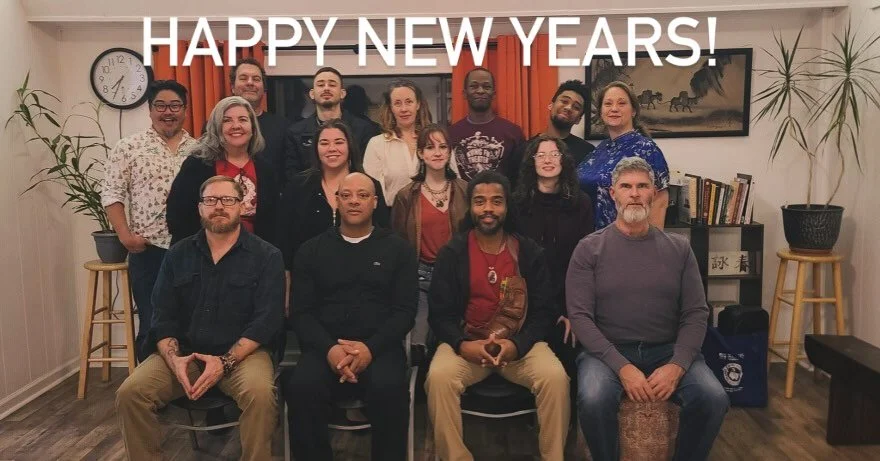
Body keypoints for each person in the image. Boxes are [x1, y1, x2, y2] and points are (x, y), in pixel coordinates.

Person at [567, 157, 729, 461]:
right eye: (626, 186)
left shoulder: (679, 249)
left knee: (713, 397)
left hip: (667, 349)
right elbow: (580, 317)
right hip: (606, 352)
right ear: (612, 193)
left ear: (653, 193)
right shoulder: (589, 249)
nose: (634, 193)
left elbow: (696, 313)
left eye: (642, 186)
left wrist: (677, 365)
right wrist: (622, 367)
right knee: (593, 398)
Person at [115, 175, 284, 461]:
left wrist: (224, 362)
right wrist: (174, 360)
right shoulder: (177, 254)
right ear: (200, 208)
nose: (218, 206)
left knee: (260, 395)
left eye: (227, 200)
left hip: (242, 355)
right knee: (131, 393)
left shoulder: (267, 256)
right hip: (185, 353)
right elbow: (162, 315)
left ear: (241, 206)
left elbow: (266, 321)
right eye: (210, 200)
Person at [425, 171, 570, 461]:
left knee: (556, 378)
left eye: (496, 201)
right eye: (480, 201)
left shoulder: (528, 252)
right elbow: (439, 314)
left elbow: (544, 312)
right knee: (438, 378)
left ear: (507, 207)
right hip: (468, 345)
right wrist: (462, 344)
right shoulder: (453, 252)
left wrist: (517, 345)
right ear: (470, 207)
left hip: (519, 347)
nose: (488, 208)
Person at [281, 172, 417, 461]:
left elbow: (405, 312)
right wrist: (330, 350)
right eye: (346, 195)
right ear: (336, 201)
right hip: (324, 349)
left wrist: (370, 349)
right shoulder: (310, 250)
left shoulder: (399, 250)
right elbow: (301, 314)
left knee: (389, 389)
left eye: (363, 195)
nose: (354, 201)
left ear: (375, 202)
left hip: (380, 349)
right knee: (302, 387)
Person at [101, 80, 198, 361]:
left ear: (185, 110)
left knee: (190, 322)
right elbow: (111, 192)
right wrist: (125, 236)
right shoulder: (129, 147)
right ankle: (149, 384)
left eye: (175, 106)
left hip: (191, 250)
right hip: (149, 250)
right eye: (161, 105)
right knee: (152, 321)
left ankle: (187, 382)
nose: (168, 112)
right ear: (150, 109)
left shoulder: (199, 149)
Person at [277, 119, 389, 309]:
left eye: (339, 142)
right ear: (315, 149)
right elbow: (284, 242)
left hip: (363, 287)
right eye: (324, 143)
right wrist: (286, 288)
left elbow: (384, 237)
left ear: (350, 146)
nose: (332, 148)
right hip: (309, 287)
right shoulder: (298, 187)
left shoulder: (370, 186)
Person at [513, 134, 594, 379]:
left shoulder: (581, 204)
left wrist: (571, 311)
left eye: (554, 154)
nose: (547, 160)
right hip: (527, 304)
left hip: (567, 302)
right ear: (532, 162)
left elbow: (584, 264)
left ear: (563, 160)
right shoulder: (517, 204)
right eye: (541, 155)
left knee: (567, 352)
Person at [391, 124, 468, 359]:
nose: (437, 152)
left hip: (457, 276)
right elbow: (398, 245)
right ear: (421, 153)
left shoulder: (465, 190)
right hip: (420, 277)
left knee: (454, 342)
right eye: (430, 147)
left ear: (450, 151)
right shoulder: (406, 195)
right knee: (417, 345)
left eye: (443, 147)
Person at [166, 96, 279, 247]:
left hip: (255, 254)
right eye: (227, 120)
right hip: (204, 253)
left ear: (253, 127)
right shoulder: (196, 165)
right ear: (217, 128)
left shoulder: (266, 169)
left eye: (243, 120)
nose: (236, 126)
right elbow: (177, 216)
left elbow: (274, 222)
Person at [576, 81, 670, 230]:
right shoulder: (600, 149)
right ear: (601, 112)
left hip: (625, 237)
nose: (614, 108)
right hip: (591, 237)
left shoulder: (646, 149)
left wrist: (652, 242)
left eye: (621, 103)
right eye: (608, 104)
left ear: (633, 111)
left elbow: (659, 202)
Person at [364, 79, 453, 206]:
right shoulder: (376, 144)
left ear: (418, 104)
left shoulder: (438, 141)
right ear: (391, 108)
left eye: (409, 102)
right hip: (392, 213)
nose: (404, 109)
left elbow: (453, 179)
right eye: (397, 103)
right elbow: (371, 191)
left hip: (435, 210)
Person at [285, 67, 381, 179]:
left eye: (332, 85)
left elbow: (369, 173)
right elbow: (292, 177)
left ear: (342, 93)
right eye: (321, 85)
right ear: (312, 94)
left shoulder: (364, 129)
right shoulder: (295, 133)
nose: (326, 88)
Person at [507, 80, 596, 187]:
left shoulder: (587, 153)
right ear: (550, 105)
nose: (568, 108)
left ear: (578, 119)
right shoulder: (525, 150)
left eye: (576, 107)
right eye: (564, 101)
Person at [448, 67, 525, 181]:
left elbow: (521, 178)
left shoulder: (513, 133)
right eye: (474, 86)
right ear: (464, 94)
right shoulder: (450, 134)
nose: (480, 91)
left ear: (494, 94)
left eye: (486, 87)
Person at [228, 57, 293, 188]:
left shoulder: (283, 127)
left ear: (264, 88)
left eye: (256, 79)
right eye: (243, 78)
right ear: (232, 87)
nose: (250, 83)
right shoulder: (217, 125)